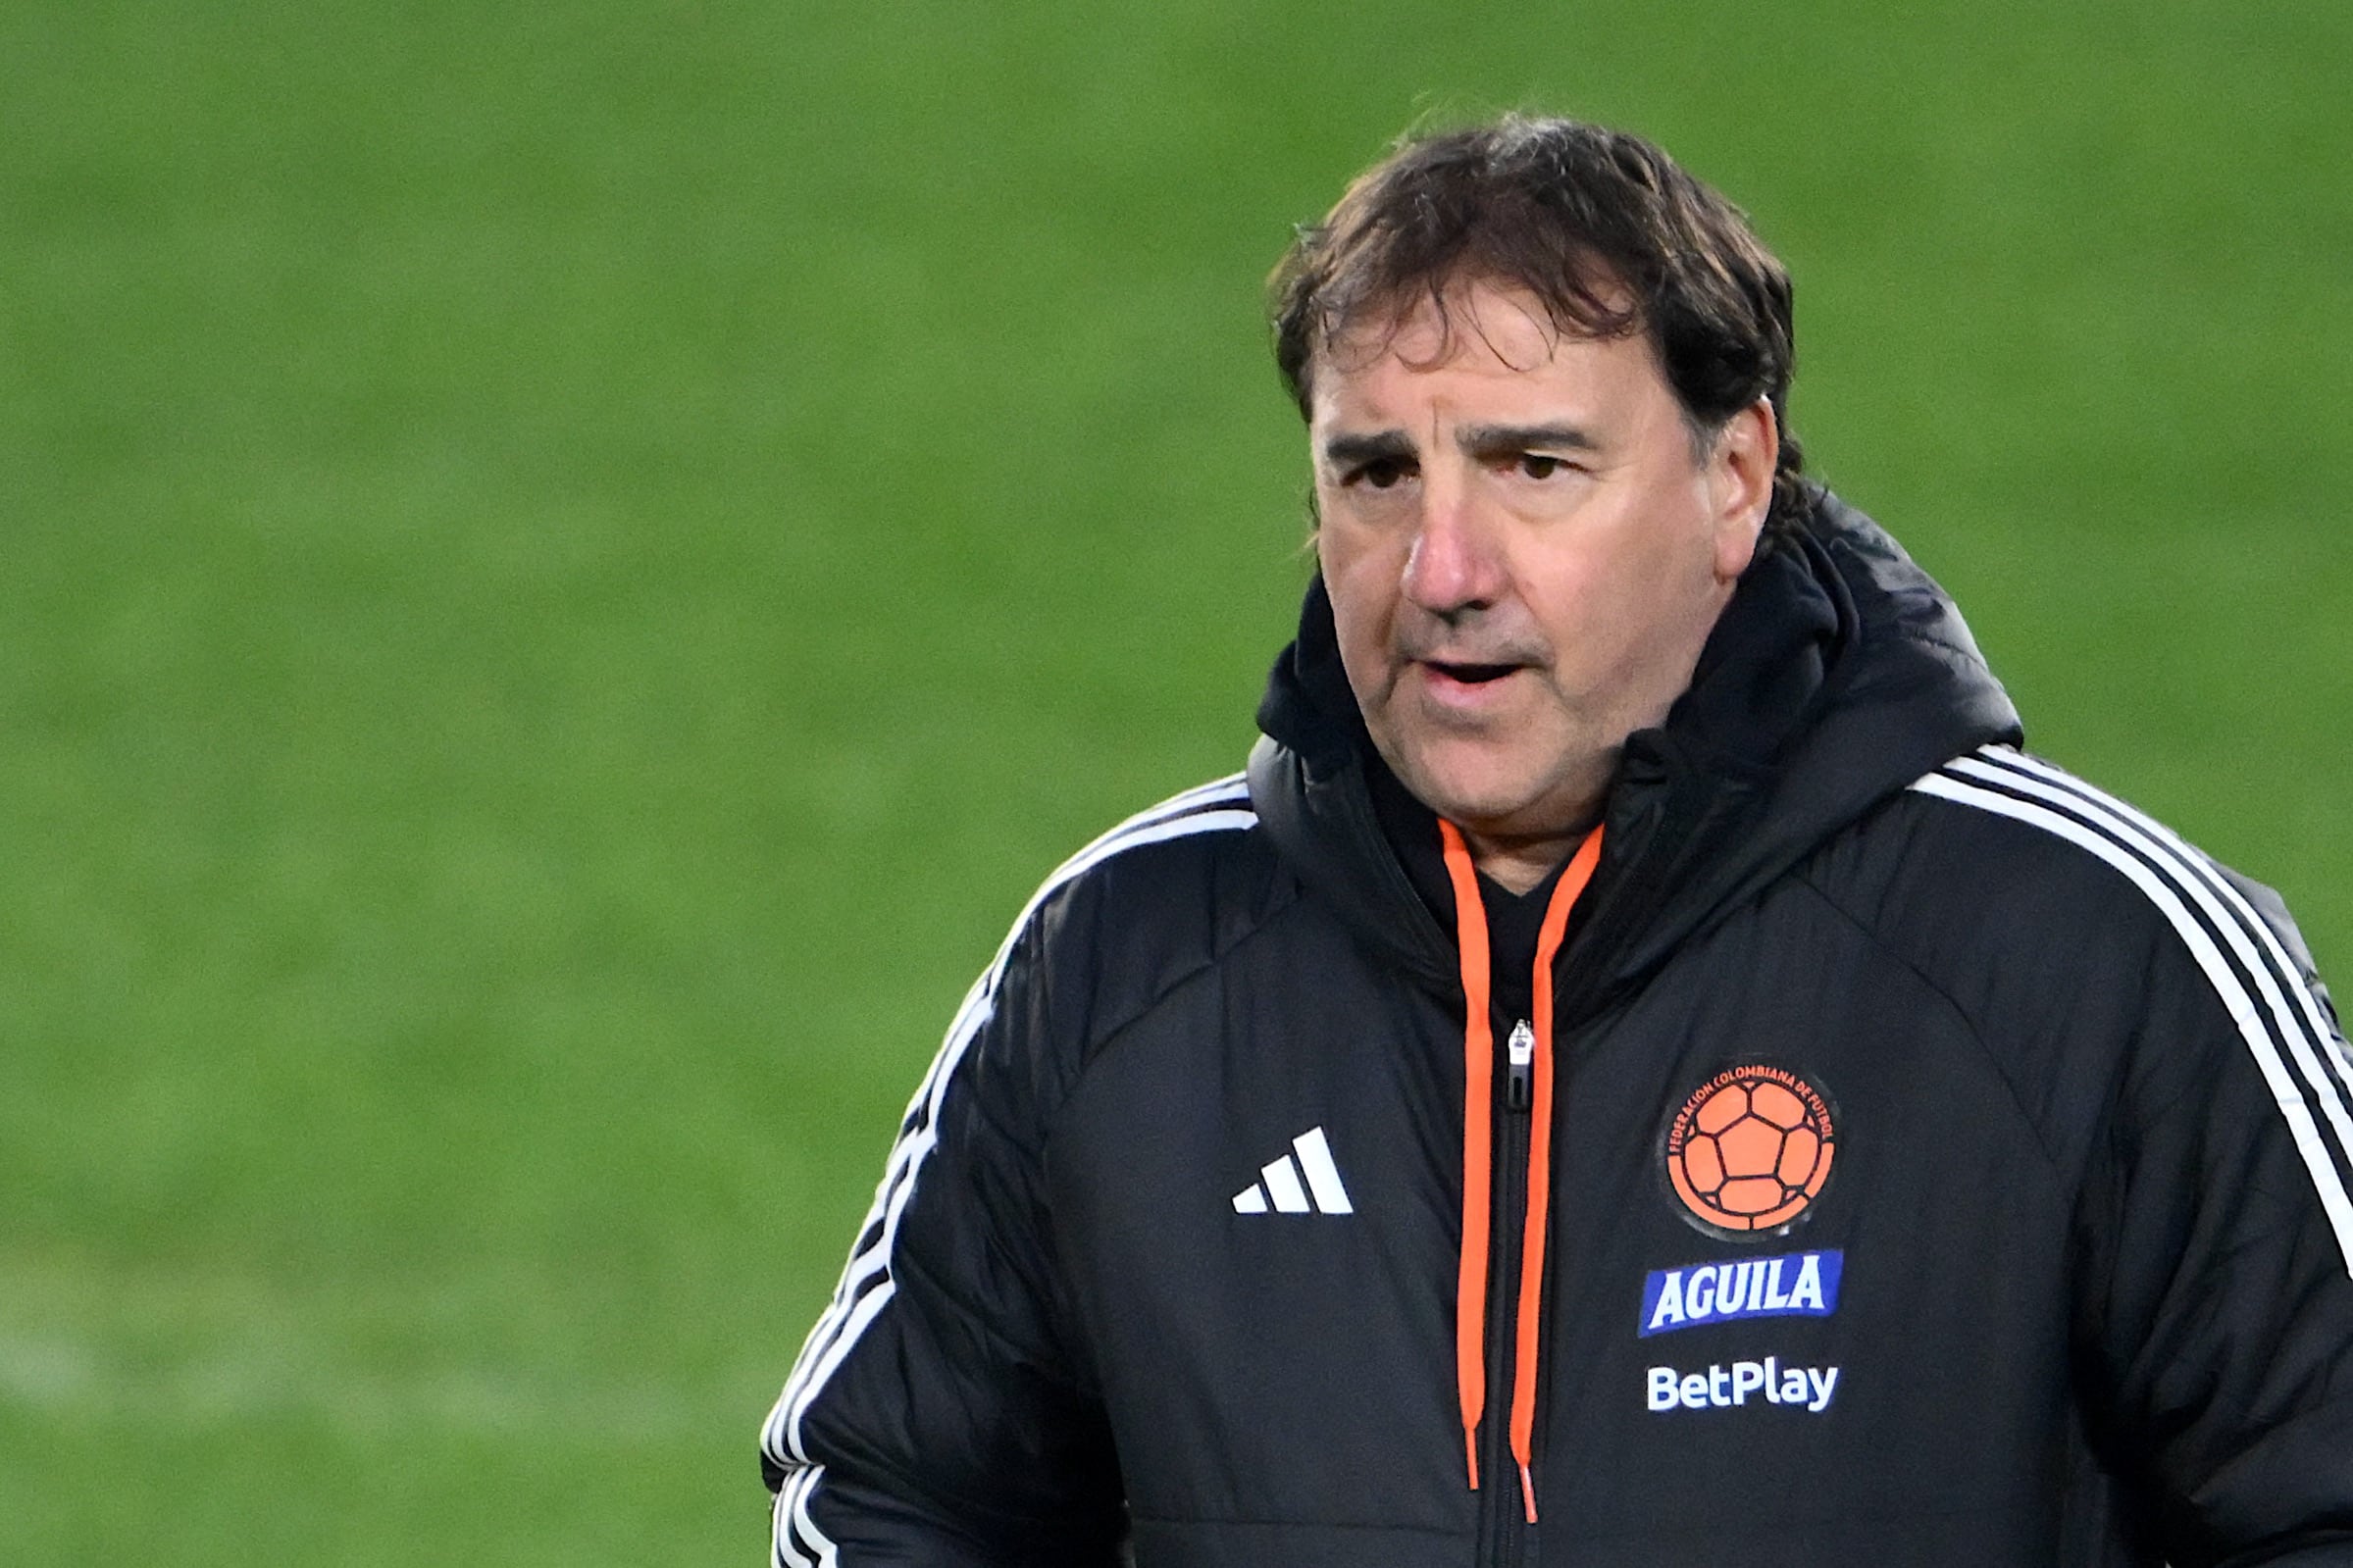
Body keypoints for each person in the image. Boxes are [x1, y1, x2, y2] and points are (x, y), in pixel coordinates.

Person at [759, 116, 2353, 1566]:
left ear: (1735, 478)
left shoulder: (2088, 956)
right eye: (1377, 474)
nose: (1443, 569)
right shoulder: (1122, 964)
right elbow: (885, 1498)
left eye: (1533, 466)